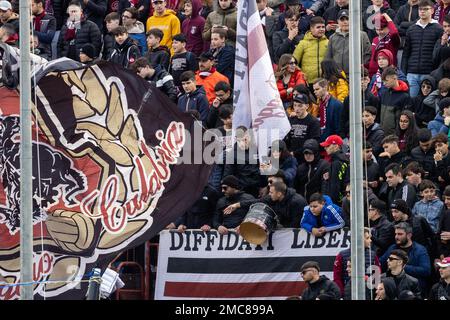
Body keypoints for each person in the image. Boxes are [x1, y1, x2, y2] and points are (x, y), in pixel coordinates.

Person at [401, 0, 443, 97]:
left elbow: (439, 54)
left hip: (429, 73)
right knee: (411, 102)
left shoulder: (438, 29)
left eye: (425, 9)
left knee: (427, 103)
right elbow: (406, 53)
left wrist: (435, 72)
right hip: (412, 73)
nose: (422, 11)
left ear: (432, 10)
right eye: (420, 9)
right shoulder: (411, 29)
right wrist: (404, 72)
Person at [381, 223, 431, 293]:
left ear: (409, 235)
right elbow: (380, 262)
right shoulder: (392, 248)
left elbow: (426, 270)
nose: (396, 237)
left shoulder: (420, 250)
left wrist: (402, 267)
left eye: (400, 234)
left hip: (413, 289)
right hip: (393, 288)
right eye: (396, 234)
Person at [333, 228, 380, 297]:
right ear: (359, 239)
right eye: (367, 238)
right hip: (348, 294)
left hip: (368, 294)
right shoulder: (341, 255)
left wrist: (373, 293)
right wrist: (343, 294)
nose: (370, 240)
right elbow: (337, 277)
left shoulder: (372, 255)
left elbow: (377, 276)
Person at [325, 9, 371, 76]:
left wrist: (360, 68)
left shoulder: (362, 35)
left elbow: (367, 54)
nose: (345, 22)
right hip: (338, 76)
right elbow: (328, 57)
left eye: (347, 19)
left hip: (356, 76)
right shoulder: (332, 37)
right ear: (338, 21)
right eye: (342, 20)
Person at [223, 126, 260, 198]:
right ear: (237, 139)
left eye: (245, 139)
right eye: (241, 140)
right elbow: (228, 176)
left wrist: (264, 186)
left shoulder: (256, 149)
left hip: (257, 189)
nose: (244, 142)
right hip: (242, 191)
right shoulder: (232, 154)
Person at [293, 16, 328, 84]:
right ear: (311, 29)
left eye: (323, 27)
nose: (321, 29)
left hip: (324, 82)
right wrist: (302, 75)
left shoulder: (329, 42)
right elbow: (294, 61)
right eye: (318, 27)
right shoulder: (303, 43)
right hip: (308, 82)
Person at [284, 93, 320, 161]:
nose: (297, 109)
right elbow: (287, 139)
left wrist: (295, 153)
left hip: (305, 158)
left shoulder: (313, 122)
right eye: (295, 105)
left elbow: (314, 143)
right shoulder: (291, 120)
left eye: (300, 106)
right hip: (291, 157)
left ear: (307, 106)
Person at [379, 66, 411, 136]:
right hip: (382, 133)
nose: (384, 83)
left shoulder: (404, 97)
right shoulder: (384, 93)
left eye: (386, 80)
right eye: (383, 81)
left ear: (394, 78)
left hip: (395, 135)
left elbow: (405, 119)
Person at [368, 13, 401, 78]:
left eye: (381, 29)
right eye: (377, 29)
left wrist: (386, 17)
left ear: (388, 27)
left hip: (388, 74)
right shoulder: (375, 39)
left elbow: (394, 32)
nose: (379, 32)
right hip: (374, 74)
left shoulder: (392, 39)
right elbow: (372, 57)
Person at [320, 135, 349, 204]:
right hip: (342, 200)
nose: (325, 148)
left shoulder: (336, 163)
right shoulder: (344, 159)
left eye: (328, 146)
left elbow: (335, 185)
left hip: (337, 202)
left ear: (336, 146)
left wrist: (331, 203)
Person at [438, 186, 450, 257]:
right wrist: (441, 253)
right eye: (445, 199)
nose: (446, 202)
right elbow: (440, 234)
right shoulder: (445, 213)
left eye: (449, 199)